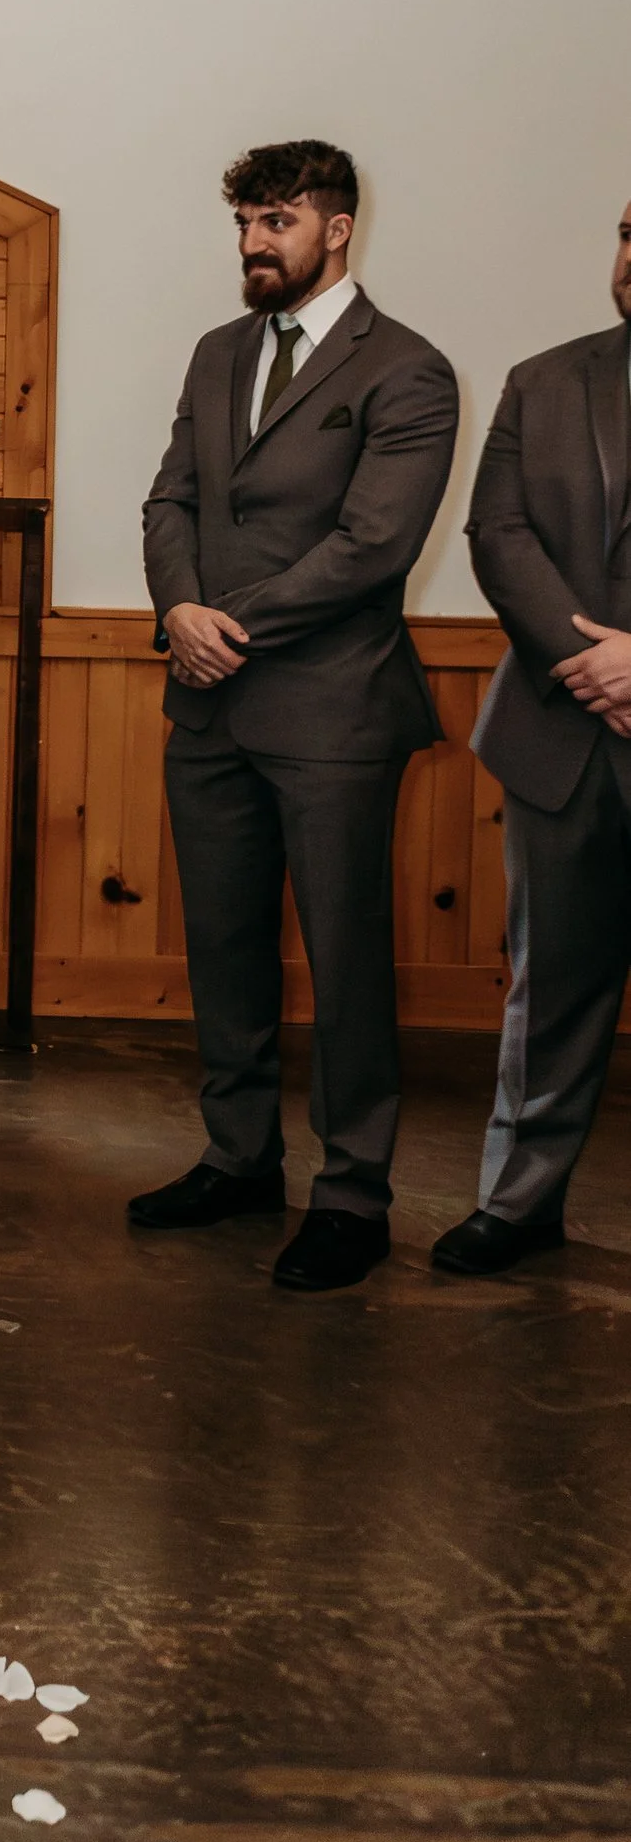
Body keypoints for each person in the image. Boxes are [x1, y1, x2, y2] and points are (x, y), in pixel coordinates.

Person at [136, 139, 458, 1289]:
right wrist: (177, 605)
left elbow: (372, 548)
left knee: (345, 957)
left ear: (335, 228)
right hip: (208, 707)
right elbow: (169, 495)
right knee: (223, 950)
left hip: (331, 713)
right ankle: (237, 1159)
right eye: (241, 223)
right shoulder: (217, 353)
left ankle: (354, 1194)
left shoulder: (408, 371)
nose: (250, 245)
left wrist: (228, 622)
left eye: (273, 222)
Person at [433, 193, 631, 1275]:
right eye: (628, 233)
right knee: (546, 986)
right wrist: (587, 660)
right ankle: (518, 1202)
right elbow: (495, 532)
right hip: (560, 735)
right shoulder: (545, 379)